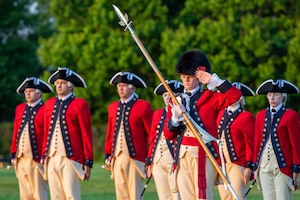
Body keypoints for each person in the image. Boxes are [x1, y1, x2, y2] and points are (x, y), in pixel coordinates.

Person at [163, 49, 242, 200]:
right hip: (181, 155)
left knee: (203, 197)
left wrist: (215, 81)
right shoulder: (175, 101)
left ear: (199, 77)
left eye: (190, 77)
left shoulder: (211, 97)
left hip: (203, 154)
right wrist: (175, 119)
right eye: (183, 77)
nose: (185, 81)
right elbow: (168, 134)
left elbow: (235, 96)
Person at [41, 67, 93, 200]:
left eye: (62, 83)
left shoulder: (80, 104)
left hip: (71, 158)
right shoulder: (49, 103)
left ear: (71, 86)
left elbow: (86, 134)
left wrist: (88, 161)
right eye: (57, 83)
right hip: (52, 157)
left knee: (71, 195)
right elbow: (47, 131)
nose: (58, 85)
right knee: (56, 196)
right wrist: (43, 154)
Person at [104, 71, 153, 200]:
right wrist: (108, 154)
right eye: (119, 86)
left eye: (124, 85)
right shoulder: (113, 107)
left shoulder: (143, 106)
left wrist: (150, 158)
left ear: (133, 87)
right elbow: (110, 132)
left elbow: (151, 134)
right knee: (120, 195)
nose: (120, 88)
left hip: (135, 159)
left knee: (135, 195)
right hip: (117, 157)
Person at [253, 79, 300, 200]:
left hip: (282, 165)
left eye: (276, 94)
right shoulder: (260, 115)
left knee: (282, 198)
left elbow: (295, 144)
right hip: (264, 165)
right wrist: (254, 164)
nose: (272, 97)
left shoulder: (291, 115)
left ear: (283, 97)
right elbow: (257, 142)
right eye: (269, 95)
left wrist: (296, 167)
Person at [10, 77, 53, 200]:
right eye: (26, 91)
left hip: (36, 159)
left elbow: (47, 134)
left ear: (39, 93)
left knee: (39, 194)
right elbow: (16, 132)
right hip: (21, 158)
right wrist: (13, 153)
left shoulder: (46, 109)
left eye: (31, 91)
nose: (27, 93)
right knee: (25, 195)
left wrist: (45, 155)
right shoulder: (20, 108)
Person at [216, 82, 255, 200]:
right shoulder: (220, 114)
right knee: (225, 197)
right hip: (222, 164)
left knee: (238, 196)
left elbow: (250, 143)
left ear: (240, 98)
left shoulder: (246, 116)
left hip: (239, 164)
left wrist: (249, 166)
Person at [146, 80, 184, 200]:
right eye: (165, 95)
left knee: (177, 193)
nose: (168, 97)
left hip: (173, 158)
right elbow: (153, 138)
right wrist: (150, 161)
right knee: (163, 196)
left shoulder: (184, 114)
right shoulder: (158, 114)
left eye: (171, 94)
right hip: (158, 159)